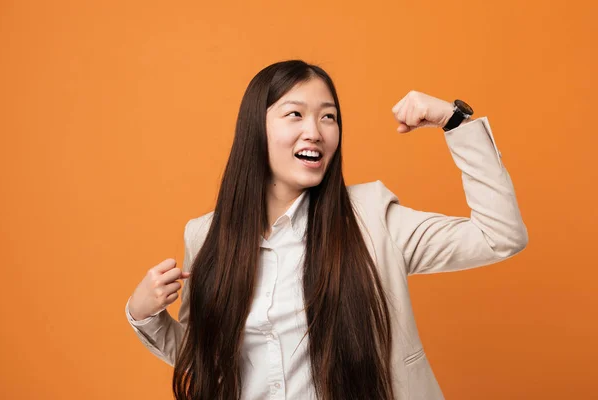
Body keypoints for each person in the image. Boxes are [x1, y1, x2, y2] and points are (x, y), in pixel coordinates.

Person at [125, 59, 528, 400]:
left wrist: (453, 121)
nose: (315, 131)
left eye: (328, 116)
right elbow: (207, 359)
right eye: (295, 114)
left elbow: (499, 236)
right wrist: (144, 314)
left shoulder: (372, 219)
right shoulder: (207, 235)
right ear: (255, 128)